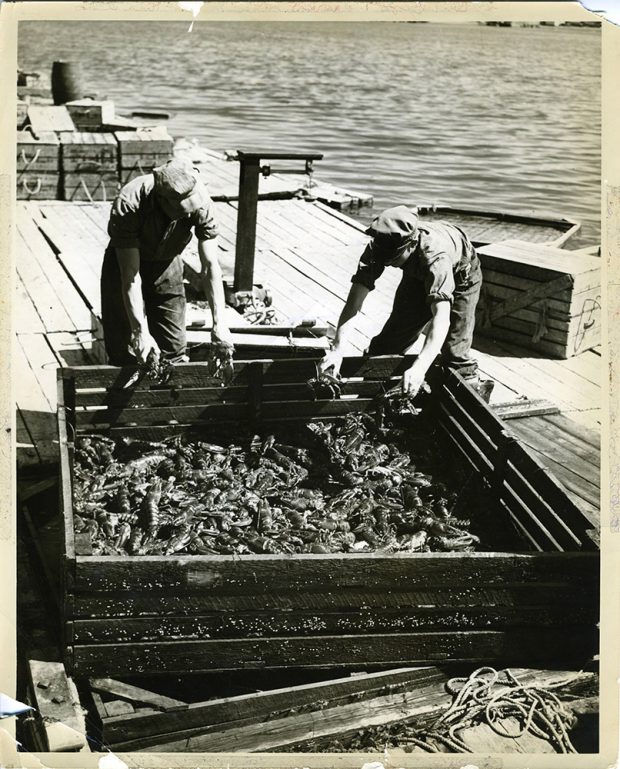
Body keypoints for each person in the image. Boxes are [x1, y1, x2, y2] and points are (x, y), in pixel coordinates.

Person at [320, 205, 482, 396]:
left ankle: (471, 392)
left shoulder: (436, 258)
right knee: (387, 345)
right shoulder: (380, 245)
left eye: (393, 258)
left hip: (461, 275)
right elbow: (355, 301)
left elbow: (441, 318)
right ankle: (372, 397)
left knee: (454, 352)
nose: (387, 262)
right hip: (416, 272)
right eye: (384, 257)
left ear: (412, 244)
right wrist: (338, 348)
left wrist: (419, 368)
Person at [101, 157, 232, 366]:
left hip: (167, 263)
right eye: (182, 211)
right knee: (123, 347)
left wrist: (220, 324)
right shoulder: (130, 201)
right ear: (163, 201)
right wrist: (139, 331)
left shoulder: (201, 201)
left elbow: (209, 267)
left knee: (174, 348)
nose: (189, 214)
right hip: (124, 264)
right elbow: (131, 277)